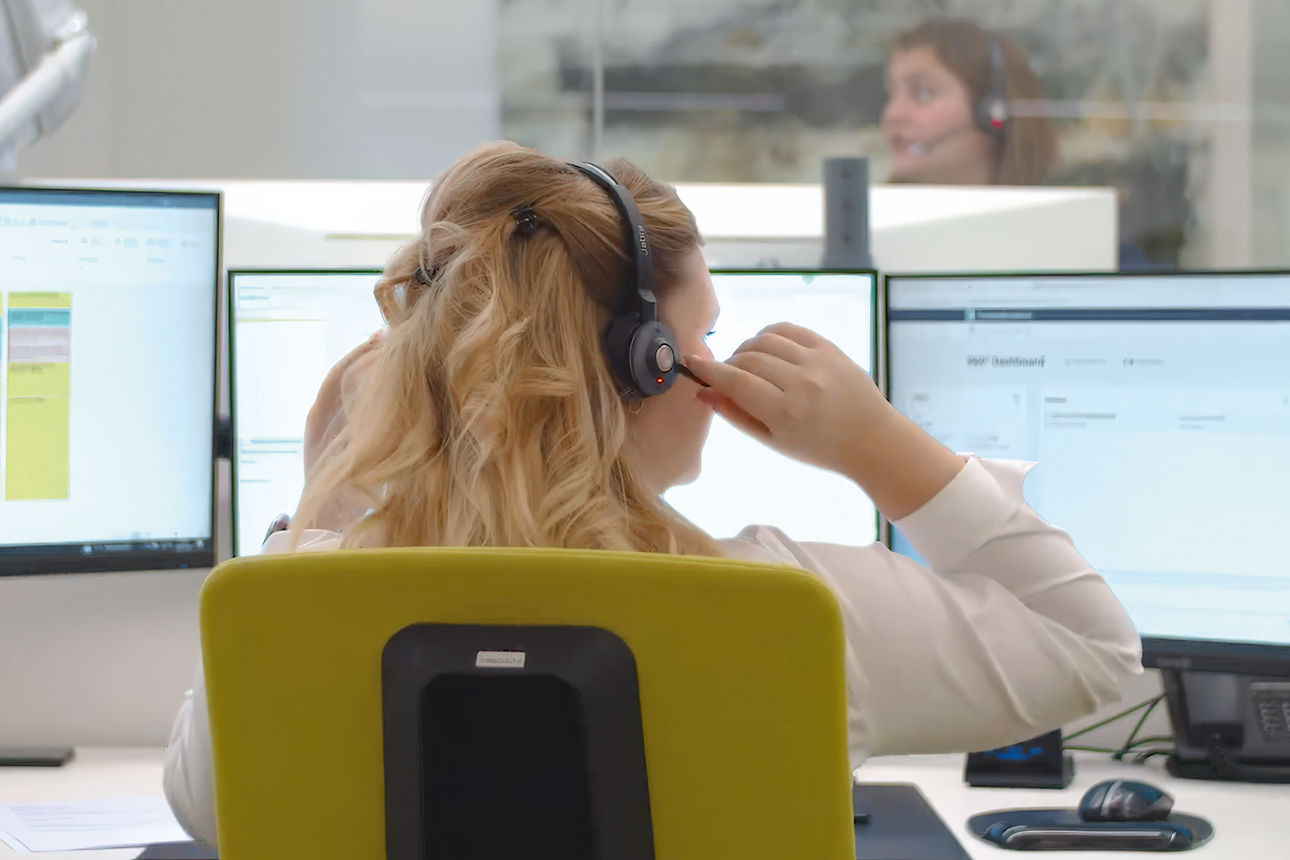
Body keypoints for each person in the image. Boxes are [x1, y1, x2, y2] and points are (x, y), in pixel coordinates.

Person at [163, 140, 1141, 846]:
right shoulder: (787, 609)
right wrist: (874, 441)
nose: (713, 372)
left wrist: (325, 505)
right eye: (700, 336)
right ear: (647, 363)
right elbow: (1092, 647)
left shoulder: (297, 609)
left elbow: (207, 804)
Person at [881, 19, 1058, 187]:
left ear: (991, 113)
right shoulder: (873, 212)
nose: (892, 114)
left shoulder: (1060, 212)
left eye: (923, 93)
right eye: (891, 94)